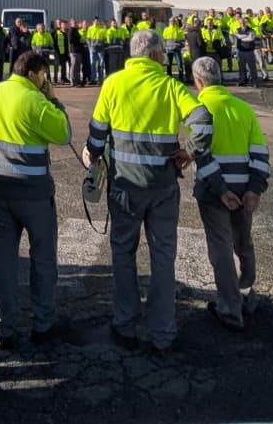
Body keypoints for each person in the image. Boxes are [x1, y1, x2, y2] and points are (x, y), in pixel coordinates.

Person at [85, 29, 212, 352]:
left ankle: (125, 325)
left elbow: (98, 132)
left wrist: (95, 155)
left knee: (124, 254)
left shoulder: (114, 83)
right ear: (157, 55)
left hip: (125, 186)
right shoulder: (169, 86)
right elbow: (202, 119)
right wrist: (190, 151)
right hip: (162, 186)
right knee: (163, 257)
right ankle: (163, 332)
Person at [0, 51, 68, 350]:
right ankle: (43, 323)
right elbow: (64, 133)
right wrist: (53, 99)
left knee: (4, 260)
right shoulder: (36, 101)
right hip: (34, 192)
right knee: (43, 258)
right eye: (43, 74)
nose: (45, 80)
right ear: (33, 73)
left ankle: (5, 326)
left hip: (0, 190)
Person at [190, 57, 269, 332]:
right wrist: (254, 188)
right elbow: (260, 151)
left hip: (215, 191)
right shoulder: (243, 109)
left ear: (197, 81)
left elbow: (201, 153)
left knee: (221, 248)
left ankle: (229, 308)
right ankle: (246, 294)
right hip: (244, 186)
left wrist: (221, 190)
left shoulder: (200, 108)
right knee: (243, 243)